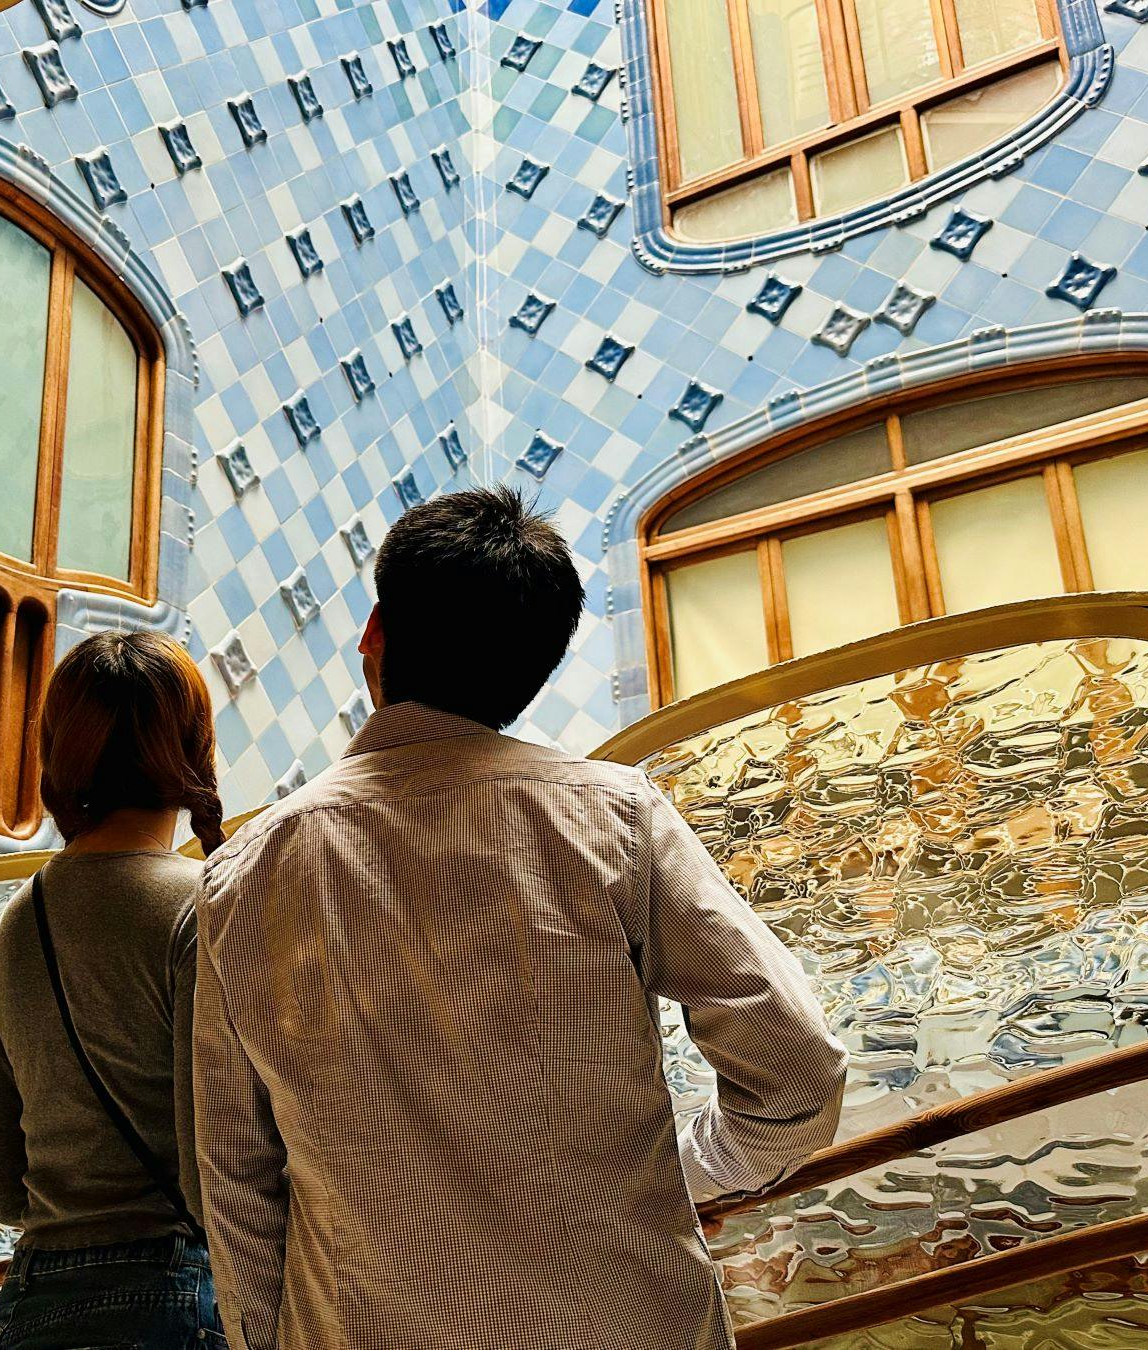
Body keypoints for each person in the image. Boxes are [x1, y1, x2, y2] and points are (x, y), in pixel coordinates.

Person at [192, 487, 847, 1349]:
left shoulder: (244, 876)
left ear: (374, 633)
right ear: (535, 669)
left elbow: (237, 1182)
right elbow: (797, 1072)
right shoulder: (614, 819)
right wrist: (678, 1175)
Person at [0, 631, 227, 1350]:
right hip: (170, 1299)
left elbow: (3, 1189)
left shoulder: (12, 927)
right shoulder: (204, 908)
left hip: (28, 1305)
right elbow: (209, 1180)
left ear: (59, 750)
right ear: (194, 749)